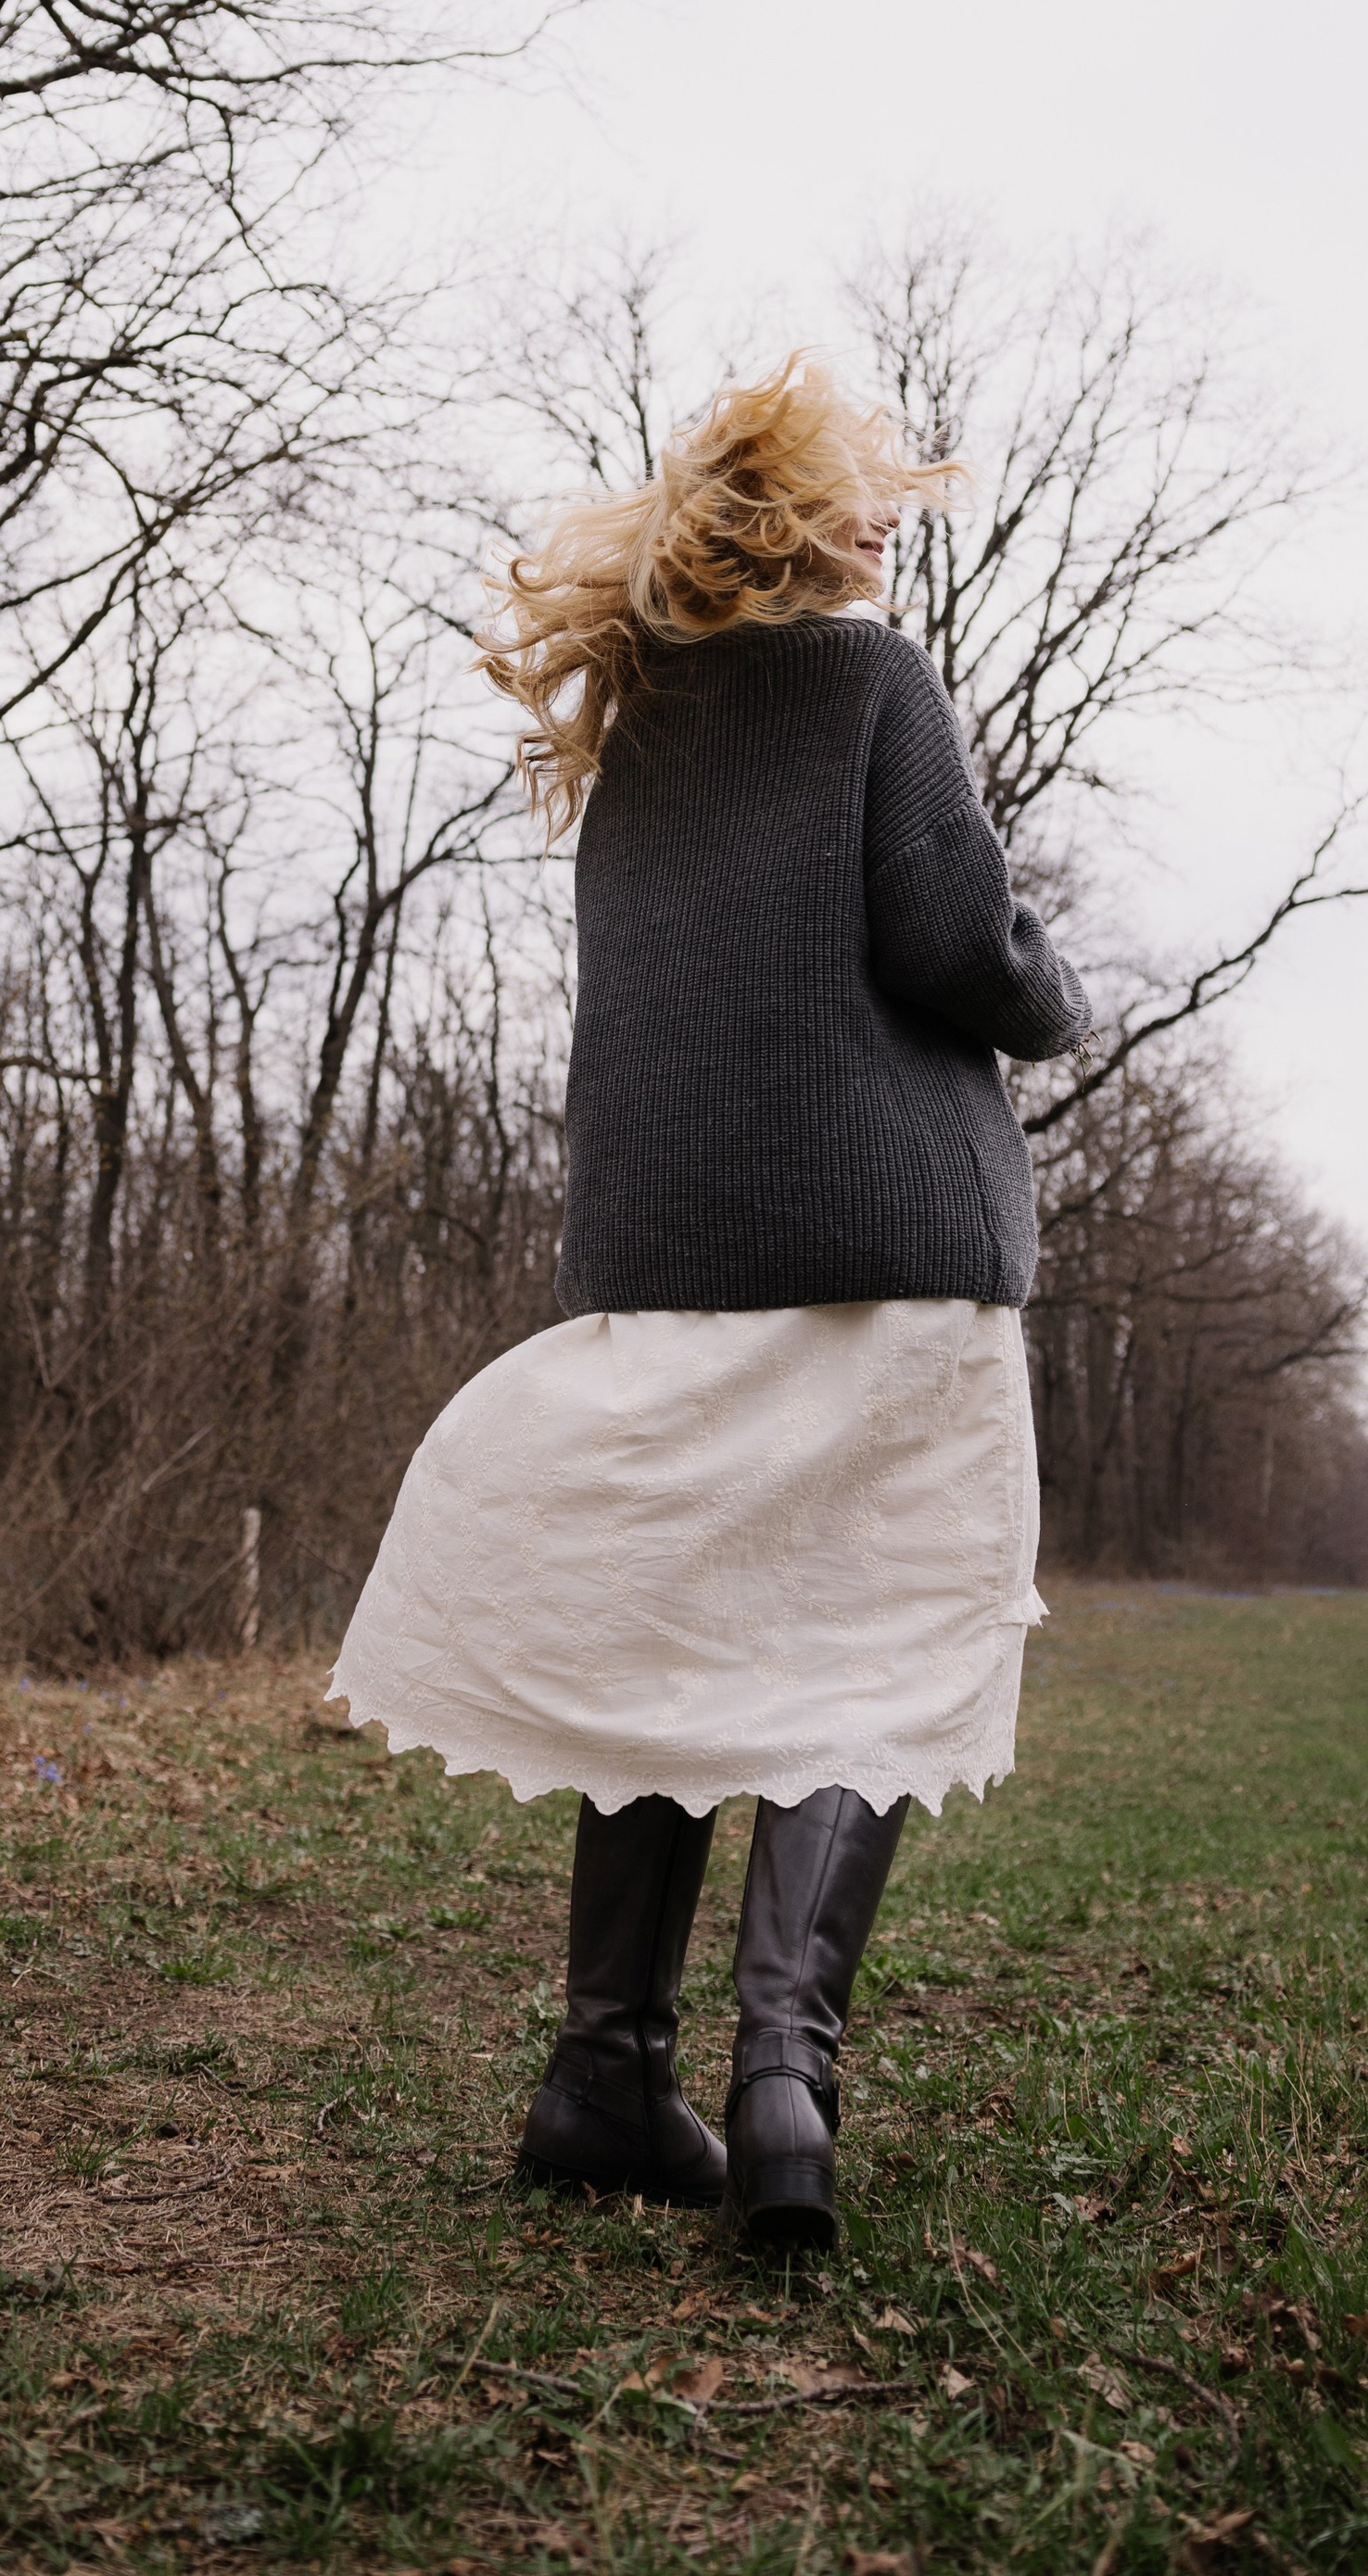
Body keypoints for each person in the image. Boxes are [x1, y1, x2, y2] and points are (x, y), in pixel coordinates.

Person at [328, 356, 1088, 2250]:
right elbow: (956, 940)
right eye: (866, 489)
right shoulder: (872, 683)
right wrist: (1046, 982)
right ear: (803, 518)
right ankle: (781, 2076)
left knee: (669, 1631)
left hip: (669, 1253)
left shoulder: (640, 723)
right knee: (867, 1642)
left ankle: (604, 2070)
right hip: (886, 1240)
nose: (889, 515)